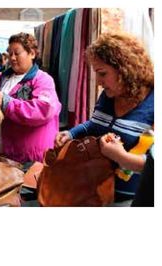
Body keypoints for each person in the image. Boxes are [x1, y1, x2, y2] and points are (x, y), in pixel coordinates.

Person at [54, 33, 154, 204]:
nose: (99, 81)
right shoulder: (109, 95)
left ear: (125, 69)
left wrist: (121, 157)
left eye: (102, 73)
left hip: (131, 199)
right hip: (95, 190)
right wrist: (71, 133)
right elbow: (95, 124)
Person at [0, 33, 60, 164]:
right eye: (10, 53)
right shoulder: (0, 78)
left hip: (27, 158)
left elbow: (43, 110)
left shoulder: (43, 80)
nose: (12, 58)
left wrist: (6, 103)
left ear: (32, 54)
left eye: (17, 53)